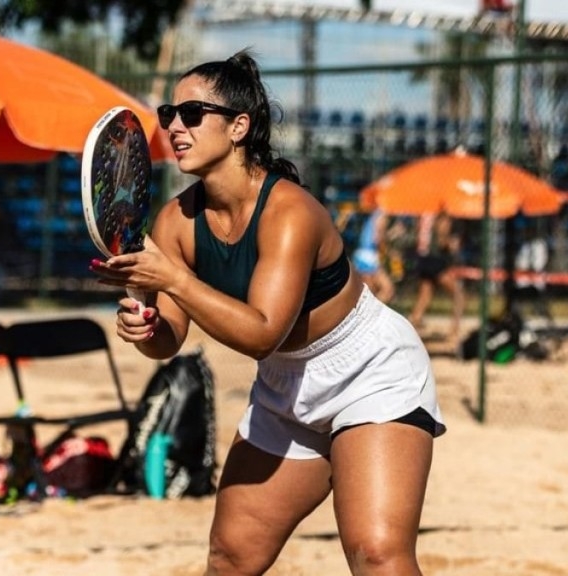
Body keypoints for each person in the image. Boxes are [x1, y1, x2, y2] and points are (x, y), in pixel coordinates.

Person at [90, 50, 446, 575]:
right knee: (231, 556)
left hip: (370, 370)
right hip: (285, 385)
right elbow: (168, 341)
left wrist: (172, 279)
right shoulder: (175, 221)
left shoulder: (290, 212)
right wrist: (143, 325)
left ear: (239, 127)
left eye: (192, 114)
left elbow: (260, 332)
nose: (175, 127)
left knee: (377, 555)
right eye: (169, 114)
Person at [407, 212, 465, 341]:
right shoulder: (442, 214)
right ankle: (454, 332)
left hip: (422, 257)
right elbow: (441, 239)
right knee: (458, 295)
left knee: (424, 298)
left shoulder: (425, 213)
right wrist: (451, 245)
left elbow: (419, 234)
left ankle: (409, 330)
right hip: (434, 260)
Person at [351, 208, 395, 303]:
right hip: (369, 257)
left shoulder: (374, 214)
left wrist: (391, 233)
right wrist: (390, 252)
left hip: (361, 255)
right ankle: (369, 314)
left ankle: (366, 314)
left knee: (370, 293)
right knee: (388, 290)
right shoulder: (382, 215)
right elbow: (379, 238)